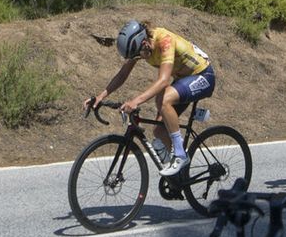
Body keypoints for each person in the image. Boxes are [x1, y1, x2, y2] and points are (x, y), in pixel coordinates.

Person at [85, 19, 216, 177]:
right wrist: (101, 96)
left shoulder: (164, 41)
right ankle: (180, 174)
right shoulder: (140, 46)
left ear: (145, 43)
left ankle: (180, 155)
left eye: (138, 55)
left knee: (165, 99)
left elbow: (163, 81)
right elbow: (122, 75)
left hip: (203, 76)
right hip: (183, 80)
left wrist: (135, 101)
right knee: (159, 130)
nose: (138, 58)